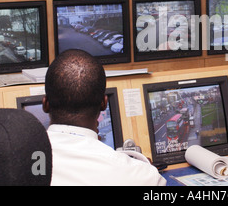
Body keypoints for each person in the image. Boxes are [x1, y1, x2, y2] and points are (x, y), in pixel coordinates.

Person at [42, 49, 166, 186]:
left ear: (46, 104)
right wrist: (143, 168)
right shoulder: (142, 177)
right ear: (104, 103)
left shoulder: (20, 163)